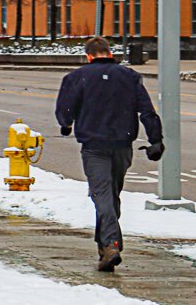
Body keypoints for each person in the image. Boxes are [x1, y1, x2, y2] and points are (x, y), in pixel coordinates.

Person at [55, 36, 165, 272]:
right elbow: (146, 110)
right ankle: (105, 247)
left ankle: (111, 244)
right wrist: (156, 139)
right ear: (109, 53)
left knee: (103, 196)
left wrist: (66, 124)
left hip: (94, 147)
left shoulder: (76, 78)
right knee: (111, 195)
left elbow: (65, 109)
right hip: (122, 145)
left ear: (88, 56)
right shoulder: (130, 77)